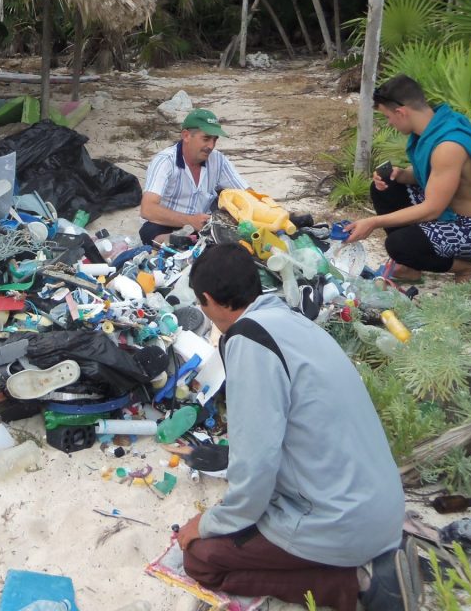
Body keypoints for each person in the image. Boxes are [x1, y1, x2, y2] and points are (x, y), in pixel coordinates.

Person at [176, 243, 420, 611]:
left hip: (340, 523)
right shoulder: (291, 321)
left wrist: (206, 524)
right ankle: (367, 566)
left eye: (201, 304)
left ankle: (362, 585)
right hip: (384, 511)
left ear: (209, 299)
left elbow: (255, 471)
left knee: (202, 558)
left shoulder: (248, 341)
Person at [346, 75, 471, 282]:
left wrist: (373, 222)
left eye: (388, 117)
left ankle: (467, 268)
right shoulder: (436, 125)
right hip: (455, 212)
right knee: (385, 187)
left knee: (400, 245)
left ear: (401, 112)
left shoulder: (448, 146)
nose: (390, 123)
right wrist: (401, 175)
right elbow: (433, 175)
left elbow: (433, 208)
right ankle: (410, 268)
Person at [139, 108, 247, 246]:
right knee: (150, 233)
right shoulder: (165, 161)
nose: (211, 146)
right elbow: (147, 209)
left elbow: (246, 193)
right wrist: (190, 220)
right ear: (186, 136)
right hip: (166, 223)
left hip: (204, 222)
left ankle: (191, 241)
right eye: (206, 139)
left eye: (215, 140)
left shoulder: (218, 159)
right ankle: (177, 241)